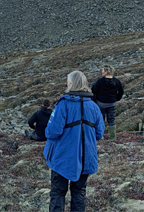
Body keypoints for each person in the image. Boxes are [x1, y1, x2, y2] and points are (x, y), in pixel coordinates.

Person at [44, 71, 105, 212]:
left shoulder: (63, 104)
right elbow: (99, 133)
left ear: (70, 84)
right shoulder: (94, 107)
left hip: (62, 157)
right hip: (86, 158)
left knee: (58, 192)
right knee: (79, 192)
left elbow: (52, 132)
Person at [91, 65, 124, 140]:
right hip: (112, 103)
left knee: (101, 120)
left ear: (106, 71)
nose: (101, 72)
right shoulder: (117, 81)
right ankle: (113, 137)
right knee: (111, 120)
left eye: (103, 70)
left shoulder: (100, 81)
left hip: (101, 103)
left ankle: (101, 136)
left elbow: (94, 90)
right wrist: (116, 99)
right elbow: (121, 92)